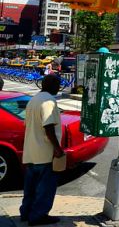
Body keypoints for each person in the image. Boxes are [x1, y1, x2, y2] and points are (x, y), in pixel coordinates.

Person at [20, 74, 64, 225]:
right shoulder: (48, 101)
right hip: (44, 153)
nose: (59, 88)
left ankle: (26, 213)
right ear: (52, 85)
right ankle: (38, 216)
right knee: (45, 189)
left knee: (30, 188)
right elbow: (48, 127)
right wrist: (57, 149)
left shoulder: (34, 100)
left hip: (31, 152)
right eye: (58, 85)